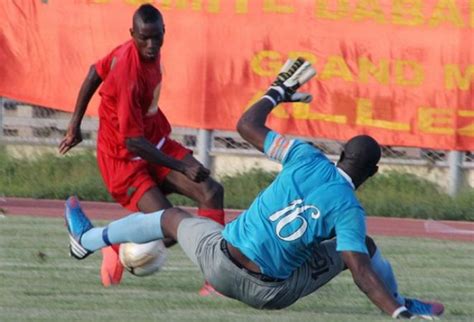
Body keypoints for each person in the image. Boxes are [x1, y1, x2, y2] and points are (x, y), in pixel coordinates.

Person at [64, 58, 444, 319]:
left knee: (171, 217)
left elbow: (246, 124)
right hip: (269, 292)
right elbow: (361, 272)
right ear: (373, 173)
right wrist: (396, 313)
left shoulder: (305, 156)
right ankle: (403, 302)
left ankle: (89, 238)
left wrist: (277, 91)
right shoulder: (349, 211)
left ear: (341, 153)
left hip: (219, 262)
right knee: (363, 249)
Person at [58, 4, 224, 294]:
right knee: (172, 230)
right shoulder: (127, 72)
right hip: (124, 161)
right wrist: (183, 166)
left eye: (156, 37)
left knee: (211, 192)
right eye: (144, 38)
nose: (151, 45)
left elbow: (93, 72)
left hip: (154, 142)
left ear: (163, 33)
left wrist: (74, 126)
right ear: (132, 34)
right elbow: (131, 142)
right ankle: (111, 241)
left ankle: (217, 280)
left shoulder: (135, 51)